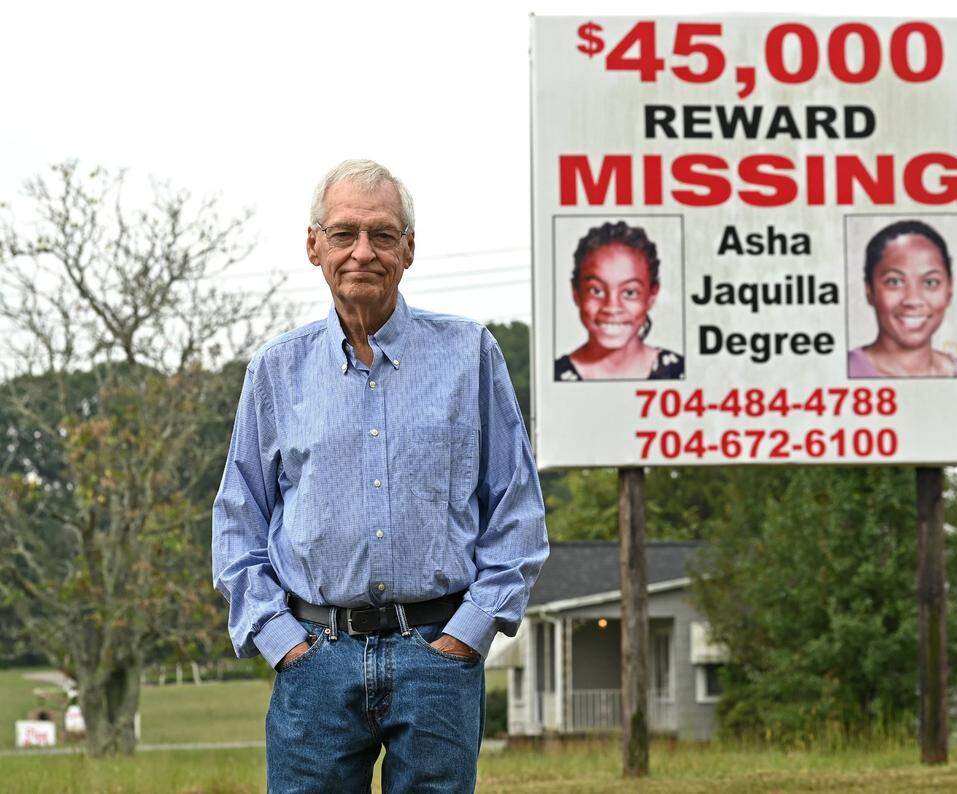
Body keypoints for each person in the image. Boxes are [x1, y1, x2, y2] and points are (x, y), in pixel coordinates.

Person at [211, 159, 548, 793]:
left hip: (438, 658)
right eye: (343, 234)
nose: (362, 251)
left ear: (409, 249)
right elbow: (238, 521)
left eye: (382, 235)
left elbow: (517, 513)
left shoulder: (470, 356)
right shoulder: (275, 373)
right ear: (314, 246)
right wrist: (282, 641)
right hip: (313, 659)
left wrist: (467, 637)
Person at [555, 221, 684, 381]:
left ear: (652, 295)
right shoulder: (552, 377)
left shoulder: (678, 372)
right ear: (576, 292)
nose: (612, 307)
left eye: (630, 292)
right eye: (596, 290)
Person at [848, 219, 957, 378]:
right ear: (869, 290)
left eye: (930, 282)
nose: (913, 300)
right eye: (894, 282)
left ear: (949, 289)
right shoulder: (841, 372)